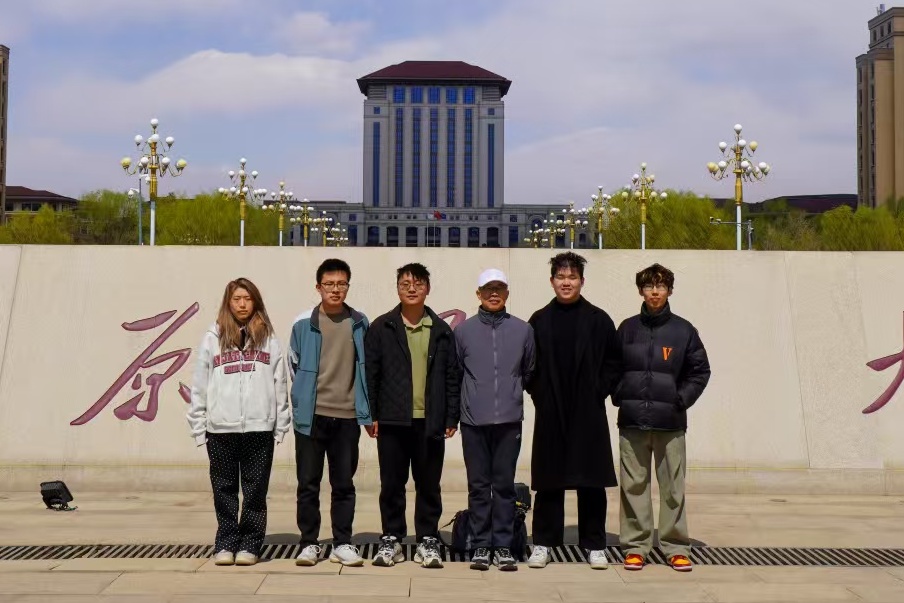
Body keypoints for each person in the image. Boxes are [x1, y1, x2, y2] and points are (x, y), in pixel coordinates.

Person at [525, 252, 621, 570]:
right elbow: (528, 365)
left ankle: (594, 544)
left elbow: (614, 363)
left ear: (582, 281)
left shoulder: (599, 320)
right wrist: (540, 394)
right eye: (561, 277)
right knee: (549, 481)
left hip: (587, 411)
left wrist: (597, 390)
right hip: (551, 410)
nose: (566, 283)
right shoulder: (539, 320)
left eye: (572, 277)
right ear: (552, 281)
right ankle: (543, 542)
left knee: (590, 480)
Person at [614, 263, 710, 573]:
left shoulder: (683, 331)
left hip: (670, 423)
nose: (655, 292)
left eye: (661, 286)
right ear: (640, 291)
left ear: (669, 290)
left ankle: (675, 546)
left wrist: (680, 400)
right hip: (632, 422)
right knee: (633, 487)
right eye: (649, 286)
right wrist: (620, 394)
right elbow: (611, 367)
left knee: (672, 489)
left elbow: (700, 371)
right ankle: (635, 546)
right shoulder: (627, 329)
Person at [365, 262, 462, 569]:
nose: (411, 289)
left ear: (427, 289)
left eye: (418, 284)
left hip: (430, 421)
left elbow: (452, 377)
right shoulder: (382, 327)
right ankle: (392, 538)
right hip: (392, 420)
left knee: (429, 484)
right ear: (397, 288)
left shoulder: (442, 330)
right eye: (405, 283)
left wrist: (451, 417)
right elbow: (371, 375)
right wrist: (371, 414)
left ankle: (427, 539)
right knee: (391, 484)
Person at [187, 277, 290, 567]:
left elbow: (280, 381)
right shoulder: (213, 337)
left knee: (256, 490)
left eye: (247, 298)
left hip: (259, 427)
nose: (242, 304)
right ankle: (226, 541)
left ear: (255, 301)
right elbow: (200, 384)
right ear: (228, 303)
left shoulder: (268, 338)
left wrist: (280, 423)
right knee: (224, 489)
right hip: (221, 428)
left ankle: (251, 544)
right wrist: (198, 425)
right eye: (237, 299)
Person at [288, 258, 373, 567]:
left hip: (347, 417)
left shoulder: (360, 322)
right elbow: (294, 366)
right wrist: (303, 401)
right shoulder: (303, 323)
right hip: (312, 417)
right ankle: (309, 543)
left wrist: (367, 412)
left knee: (344, 484)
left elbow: (367, 369)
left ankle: (342, 543)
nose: (335, 289)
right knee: (308, 484)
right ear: (318, 287)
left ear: (348, 286)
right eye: (329, 284)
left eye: (341, 284)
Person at [455, 268, 535, 571]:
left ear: (507, 293)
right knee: (478, 486)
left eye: (499, 288)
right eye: (488, 288)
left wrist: (512, 394)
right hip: (473, 421)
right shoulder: (463, 332)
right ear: (478, 294)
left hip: (509, 421)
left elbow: (529, 370)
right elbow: (456, 374)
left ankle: (502, 545)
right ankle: (480, 545)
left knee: (503, 486)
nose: (493, 293)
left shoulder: (523, 330)